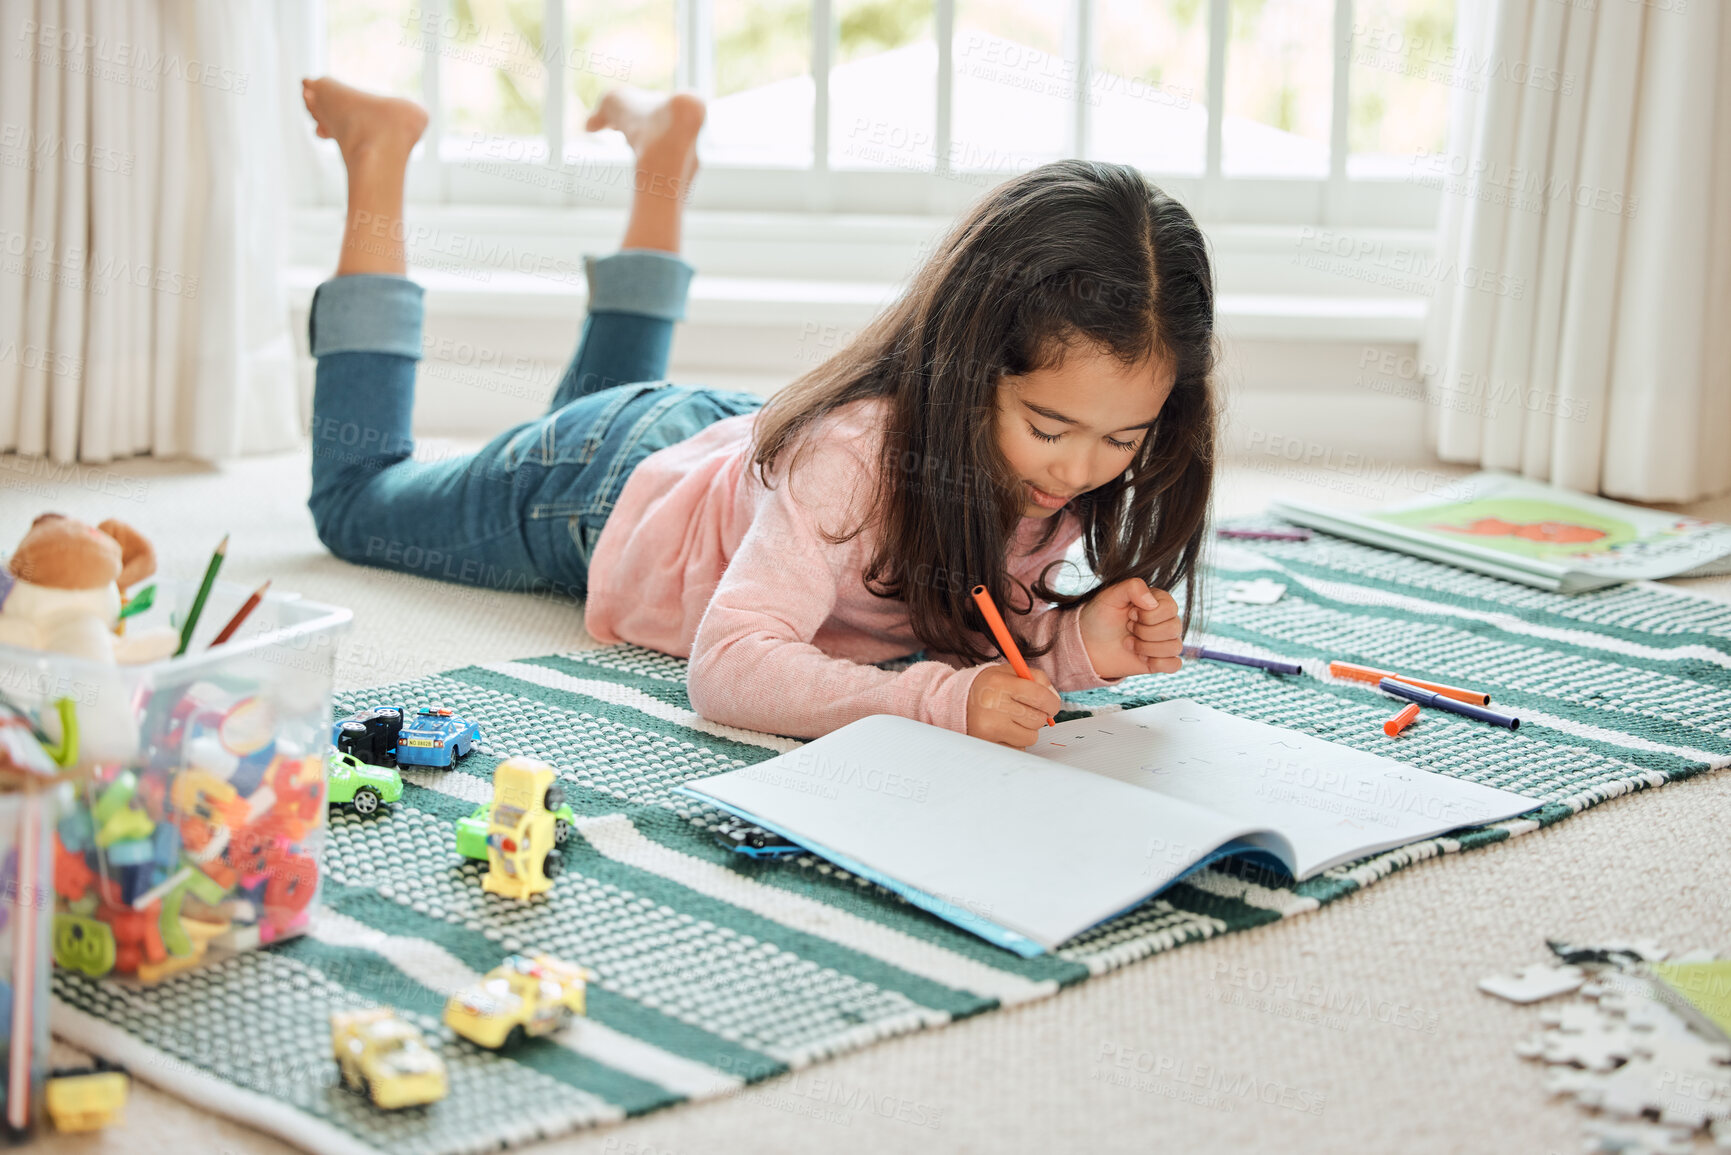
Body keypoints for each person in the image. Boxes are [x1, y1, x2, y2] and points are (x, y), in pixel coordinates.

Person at [300, 78, 1216, 749]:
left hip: (732, 451)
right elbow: (727, 667)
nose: (1073, 470)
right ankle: (378, 154)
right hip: (600, 485)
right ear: (961, 369)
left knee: (597, 409)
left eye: (1121, 438)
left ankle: (664, 158)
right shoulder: (853, 466)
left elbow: (965, 619)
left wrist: (1071, 641)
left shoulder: (1038, 459)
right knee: (357, 500)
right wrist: (934, 702)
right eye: (1049, 429)